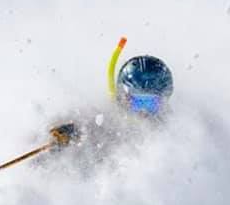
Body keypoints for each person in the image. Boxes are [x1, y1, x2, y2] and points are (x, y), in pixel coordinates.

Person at [45, 53, 175, 167]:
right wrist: (67, 134)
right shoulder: (103, 123)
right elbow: (88, 125)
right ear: (122, 98)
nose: (143, 111)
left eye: (151, 103)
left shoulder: (173, 132)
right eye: (137, 102)